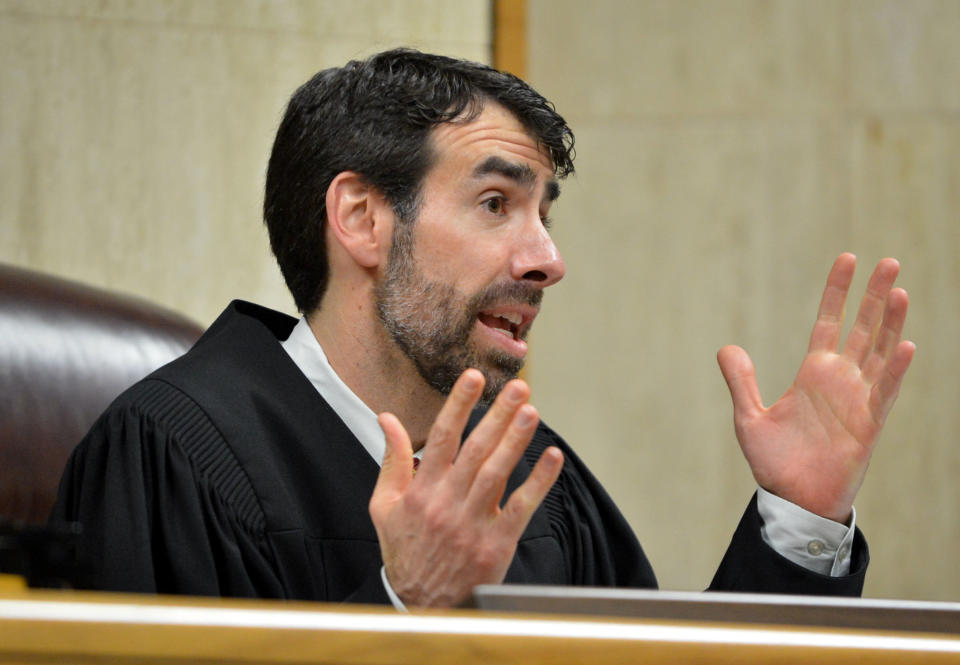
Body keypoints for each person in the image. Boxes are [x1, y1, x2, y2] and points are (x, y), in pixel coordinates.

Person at [50, 49, 914, 608]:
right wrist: (402, 603)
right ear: (359, 218)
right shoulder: (171, 456)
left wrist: (799, 518)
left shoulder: (537, 482)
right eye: (496, 203)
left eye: (545, 214)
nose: (547, 259)